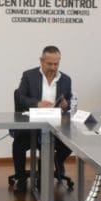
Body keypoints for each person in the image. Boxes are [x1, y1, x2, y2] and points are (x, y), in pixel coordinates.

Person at [12, 45, 74, 192]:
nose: (53, 67)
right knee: (18, 145)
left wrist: (66, 104)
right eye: (49, 64)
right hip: (31, 126)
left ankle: (51, 167)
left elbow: (70, 100)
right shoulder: (29, 76)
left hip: (55, 127)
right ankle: (20, 178)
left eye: (56, 64)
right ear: (41, 61)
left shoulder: (65, 79)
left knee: (69, 144)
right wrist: (37, 104)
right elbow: (20, 97)